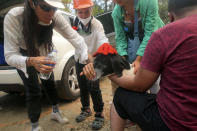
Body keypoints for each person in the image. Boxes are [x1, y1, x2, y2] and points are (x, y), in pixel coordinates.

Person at [81, 0, 197, 130]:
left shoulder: (159, 24)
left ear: (170, 17)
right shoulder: (116, 13)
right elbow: (120, 38)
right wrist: (123, 62)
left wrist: (109, 71)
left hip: (154, 45)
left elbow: (140, 85)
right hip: (139, 46)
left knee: (148, 86)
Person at [4, 0, 89, 131]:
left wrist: (85, 60)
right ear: (32, 3)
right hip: (24, 56)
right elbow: (9, 56)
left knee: (50, 83)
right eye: (45, 8)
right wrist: (31, 61)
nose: (51, 13)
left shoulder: (54, 16)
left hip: (44, 51)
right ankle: (35, 126)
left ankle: (56, 112)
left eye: (54, 8)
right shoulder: (15, 16)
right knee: (33, 90)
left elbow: (76, 38)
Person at [72, 0, 109, 130]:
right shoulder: (74, 23)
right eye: (80, 12)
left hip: (94, 61)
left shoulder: (97, 24)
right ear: (76, 11)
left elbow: (102, 40)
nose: (83, 15)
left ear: (91, 9)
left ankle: (99, 113)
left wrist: (103, 50)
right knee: (82, 86)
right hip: (79, 60)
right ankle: (86, 109)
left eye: (86, 11)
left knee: (94, 87)